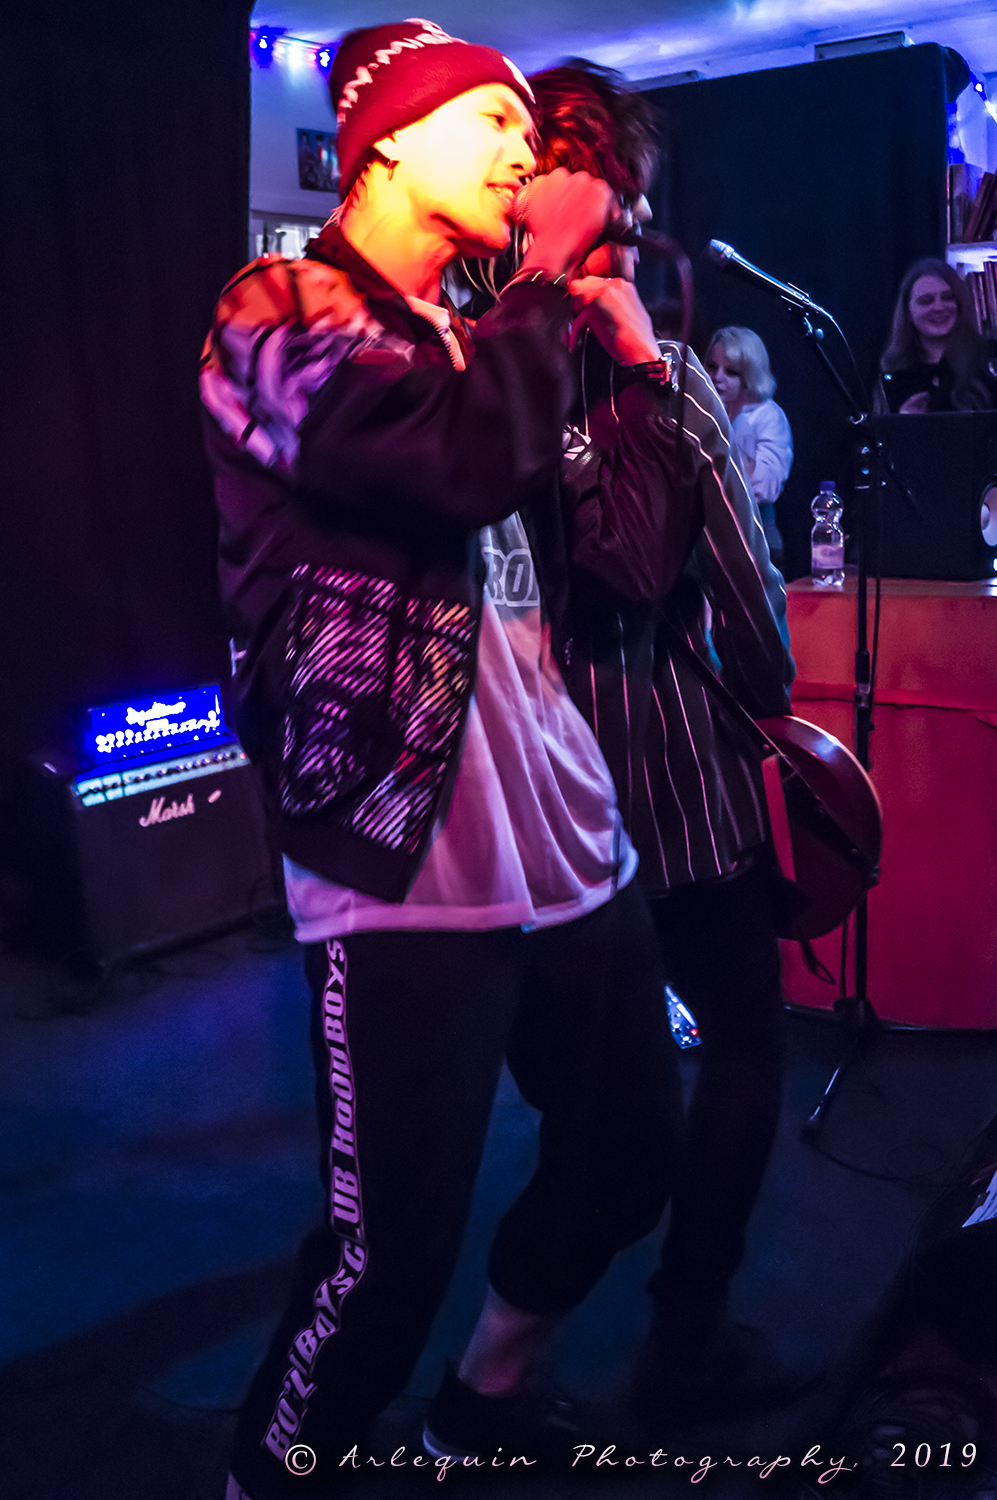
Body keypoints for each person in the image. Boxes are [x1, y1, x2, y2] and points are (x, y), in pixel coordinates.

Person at [200, 21, 683, 1499]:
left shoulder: (489, 336)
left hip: (565, 828)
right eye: (493, 121)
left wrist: (637, 376)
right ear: (391, 139)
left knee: (629, 1152)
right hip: (402, 843)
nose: (526, 154)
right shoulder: (275, 307)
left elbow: (629, 561)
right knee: (388, 1255)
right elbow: (448, 464)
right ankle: (277, 1473)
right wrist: (542, 288)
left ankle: (485, 1397)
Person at [523, 61, 800, 1422]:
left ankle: (504, 1357)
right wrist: (654, 370)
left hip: (531, 804)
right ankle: (680, 1336)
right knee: (741, 1046)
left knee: (582, 1092)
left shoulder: (468, 370)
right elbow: (733, 603)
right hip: (672, 786)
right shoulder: (658, 378)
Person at [704, 325, 793, 567]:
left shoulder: (768, 416)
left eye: (731, 371)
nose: (717, 377)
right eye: (711, 366)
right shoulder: (704, 411)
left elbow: (765, 487)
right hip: (708, 542)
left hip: (757, 541)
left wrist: (720, 435)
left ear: (750, 377)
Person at [875, 257, 997, 414]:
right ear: (908, 312)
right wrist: (904, 422)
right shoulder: (891, 370)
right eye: (926, 301)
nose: (939, 307)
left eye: (948, 297)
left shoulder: (989, 358)